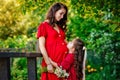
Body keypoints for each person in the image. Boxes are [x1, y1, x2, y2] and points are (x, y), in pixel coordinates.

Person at [37, 2, 68, 80]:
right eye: (61, 13)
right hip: (51, 64)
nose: (62, 16)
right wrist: (48, 63)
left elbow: (65, 43)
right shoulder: (43, 26)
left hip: (62, 64)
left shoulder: (59, 27)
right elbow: (41, 46)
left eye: (64, 14)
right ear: (54, 11)